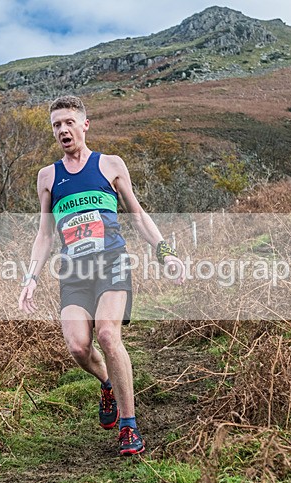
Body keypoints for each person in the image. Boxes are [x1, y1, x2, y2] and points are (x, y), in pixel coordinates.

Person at [18, 95, 185, 456]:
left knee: (108, 334)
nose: (63, 129)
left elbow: (138, 215)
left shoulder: (110, 165)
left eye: (68, 122)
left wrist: (165, 253)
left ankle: (129, 426)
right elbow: (44, 234)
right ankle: (108, 382)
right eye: (56, 125)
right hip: (74, 273)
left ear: (84, 124)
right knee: (79, 347)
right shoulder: (48, 177)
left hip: (112, 262)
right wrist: (30, 277)